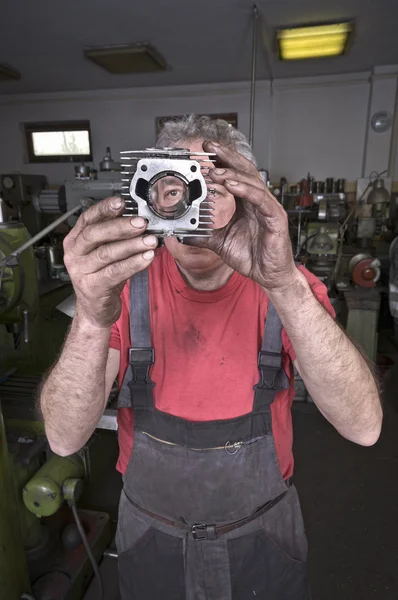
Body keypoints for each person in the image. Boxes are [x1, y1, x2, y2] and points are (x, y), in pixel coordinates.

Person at [39, 115, 382, 600]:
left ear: (245, 200)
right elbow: (63, 436)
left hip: (262, 537)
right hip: (149, 535)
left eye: (213, 188)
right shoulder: (121, 287)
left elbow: (363, 427)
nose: (192, 205)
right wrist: (93, 319)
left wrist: (285, 287)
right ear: (149, 195)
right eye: (175, 187)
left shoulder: (288, 285)